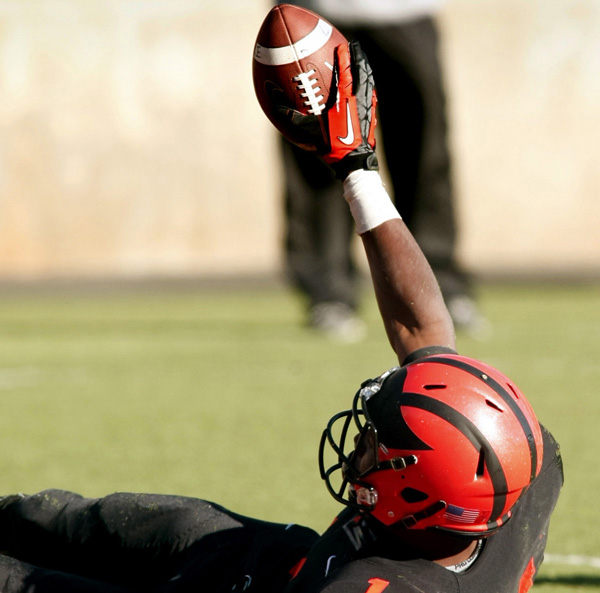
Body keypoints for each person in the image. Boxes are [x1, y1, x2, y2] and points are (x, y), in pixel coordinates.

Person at [0, 42, 562, 593]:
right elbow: (424, 330)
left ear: (414, 497)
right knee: (86, 523)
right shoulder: (511, 473)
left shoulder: (372, 585)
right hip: (289, 565)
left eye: (376, 447)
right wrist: (358, 170)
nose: (361, 444)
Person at [277, 0, 485, 341]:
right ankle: (327, 291)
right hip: (313, 13)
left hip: (404, 10)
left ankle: (440, 283)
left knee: (423, 152)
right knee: (317, 153)